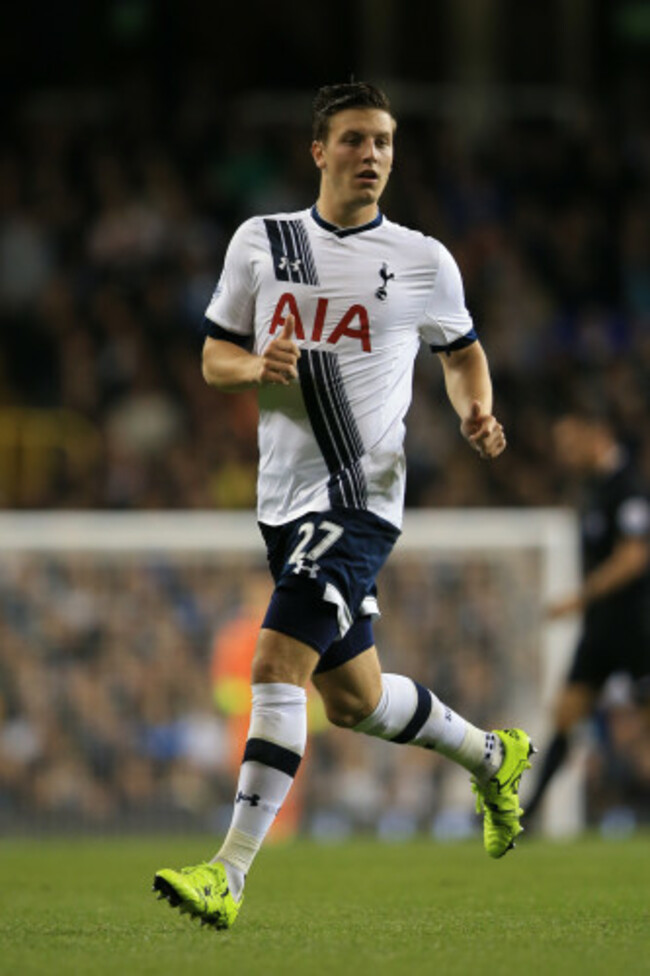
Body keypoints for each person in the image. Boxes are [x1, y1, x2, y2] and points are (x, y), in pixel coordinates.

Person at [153, 81, 534, 930]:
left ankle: (230, 874)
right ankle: (491, 754)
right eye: (356, 140)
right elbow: (215, 355)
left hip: (361, 498)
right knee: (353, 700)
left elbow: (463, 354)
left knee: (274, 664)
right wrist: (255, 368)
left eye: (386, 142)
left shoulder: (426, 260)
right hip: (283, 502)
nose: (374, 156)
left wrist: (477, 407)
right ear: (318, 151)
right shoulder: (264, 242)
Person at [524, 406, 650, 823]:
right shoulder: (594, 490)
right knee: (564, 714)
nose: (565, 452)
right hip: (602, 631)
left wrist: (578, 598)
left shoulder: (627, 487)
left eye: (570, 442)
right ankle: (528, 816)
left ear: (597, 434)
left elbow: (633, 558)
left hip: (638, 628)